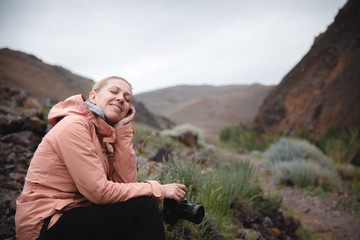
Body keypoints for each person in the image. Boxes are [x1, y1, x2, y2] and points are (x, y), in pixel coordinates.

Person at [15, 76, 188, 240]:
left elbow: (125, 186)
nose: (121, 99)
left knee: (139, 205)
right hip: (44, 223)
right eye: (114, 91)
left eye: (127, 99)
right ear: (93, 97)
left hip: (72, 215)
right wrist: (158, 190)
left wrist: (122, 132)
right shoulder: (74, 125)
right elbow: (99, 192)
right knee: (143, 208)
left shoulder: (103, 136)